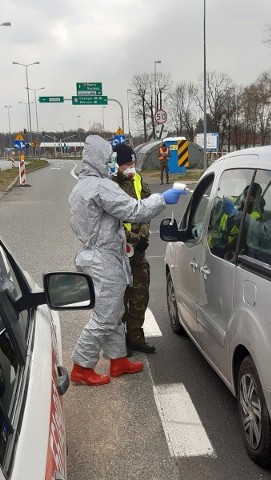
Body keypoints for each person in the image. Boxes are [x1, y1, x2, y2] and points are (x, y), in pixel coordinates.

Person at [68, 135, 189, 386]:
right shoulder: (101, 187)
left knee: (113, 310)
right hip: (104, 257)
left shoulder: (81, 187)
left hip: (99, 254)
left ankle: (118, 359)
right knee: (105, 315)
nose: (112, 162)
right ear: (99, 158)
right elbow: (134, 211)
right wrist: (162, 199)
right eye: (109, 157)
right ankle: (81, 365)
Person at [111, 143, 156, 354]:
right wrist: (134, 238)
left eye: (132, 162)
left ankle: (135, 337)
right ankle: (118, 344)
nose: (131, 167)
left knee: (140, 295)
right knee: (119, 300)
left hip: (139, 251)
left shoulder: (138, 180)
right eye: (126, 164)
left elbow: (148, 208)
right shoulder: (110, 186)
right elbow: (111, 223)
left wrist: (144, 234)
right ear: (117, 164)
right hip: (119, 252)